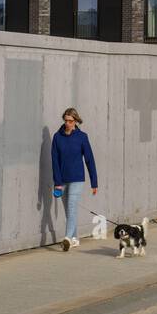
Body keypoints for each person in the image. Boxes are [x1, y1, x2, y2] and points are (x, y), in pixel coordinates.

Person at [51, 107, 98, 251]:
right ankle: (75, 238)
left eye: (70, 121)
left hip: (77, 178)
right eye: (65, 120)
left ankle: (66, 239)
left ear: (76, 121)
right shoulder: (57, 137)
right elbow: (55, 161)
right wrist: (57, 183)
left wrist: (94, 182)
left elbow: (89, 160)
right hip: (62, 180)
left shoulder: (82, 137)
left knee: (71, 208)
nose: (67, 123)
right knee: (69, 211)